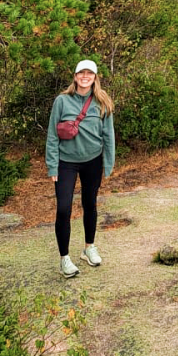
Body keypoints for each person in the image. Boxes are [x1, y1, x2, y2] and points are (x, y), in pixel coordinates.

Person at [46, 59, 115, 277]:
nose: (85, 77)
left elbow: (108, 135)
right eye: (81, 73)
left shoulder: (102, 102)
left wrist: (108, 163)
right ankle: (64, 259)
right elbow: (51, 135)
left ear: (95, 78)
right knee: (64, 209)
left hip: (92, 161)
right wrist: (52, 165)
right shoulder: (62, 101)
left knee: (90, 204)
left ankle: (89, 247)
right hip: (65, 163)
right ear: (75, 76)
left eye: (89, 74)